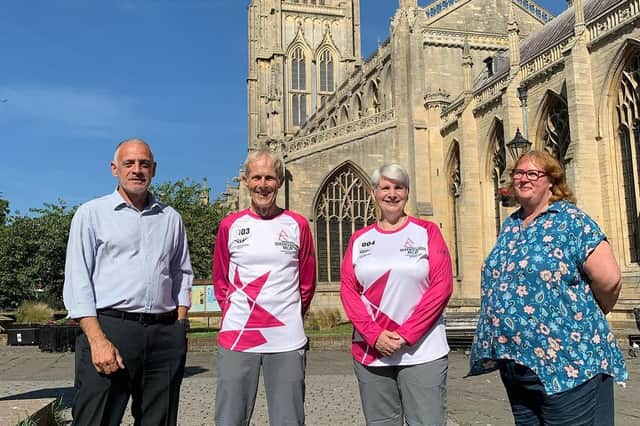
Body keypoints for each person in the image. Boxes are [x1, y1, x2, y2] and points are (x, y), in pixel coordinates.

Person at [468, 150, 628, 425]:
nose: (523, 179)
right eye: (519, 173)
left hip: (567, 361)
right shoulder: (512, 225)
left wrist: (585, 315)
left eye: (533, 173)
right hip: (518, 363)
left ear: (551, 181)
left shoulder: (571, 220)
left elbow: (609, 279)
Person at [63, 138, 193, 426]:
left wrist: (179, 325)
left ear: (154, 169)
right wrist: (97, 340)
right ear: (114, 169)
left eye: (144, 164)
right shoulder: (91, 214)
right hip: (110, 329)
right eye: (129, 163)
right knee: (95, 419)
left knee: (158, 421)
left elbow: (181, 273)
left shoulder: (171, 218)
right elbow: (78, 280)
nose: (137, 170)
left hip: (164, 333)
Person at [340, 163, 453, 426]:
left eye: (398, 188)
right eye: (385, 188)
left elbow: (442, 286)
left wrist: (405, 334)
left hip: (422, 351)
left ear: (407, 193)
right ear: (374, 193)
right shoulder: (359, 239)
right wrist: (374, 334)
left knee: (427, 421)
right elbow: (348, 290)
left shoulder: (427, 232)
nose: (392, 194)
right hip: (371, 351)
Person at [213, 147, 316, 426]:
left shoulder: (297, 225)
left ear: (280, 182)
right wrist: (237, 313)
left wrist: (290, 314)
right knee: (229, 419)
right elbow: (220, 279)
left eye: (269, 178)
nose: (263, 184)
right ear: (245, 181)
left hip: (286, 336)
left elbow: (306, 282)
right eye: (256, 177)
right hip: (238, 334)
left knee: (288, 419)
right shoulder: (230, 225)